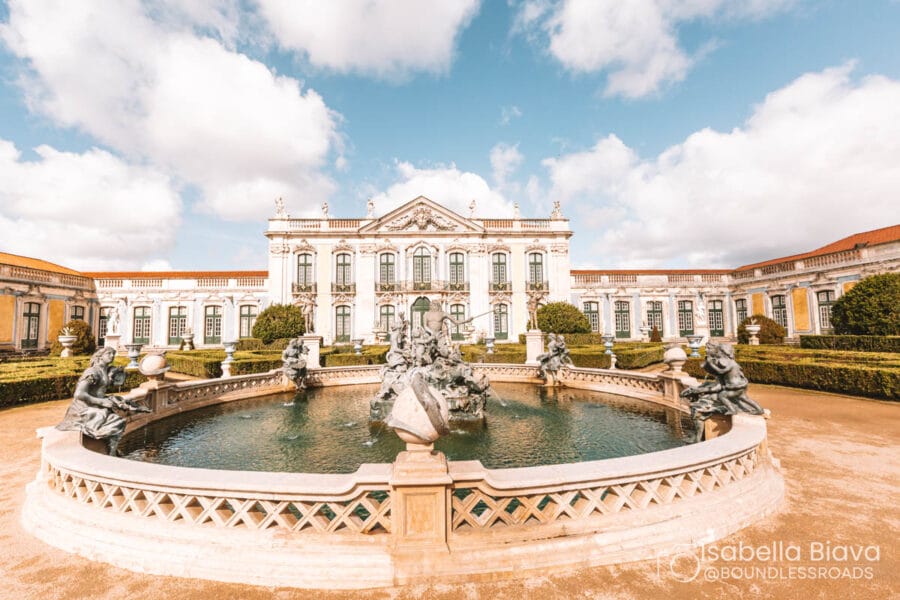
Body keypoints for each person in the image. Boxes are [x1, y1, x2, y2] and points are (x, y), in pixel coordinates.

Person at [57, 347, 149, 455]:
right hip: (83, 408)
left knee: (118, 414)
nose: (112, 356)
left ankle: (112, 450)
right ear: (100, 357)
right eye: (109, 353)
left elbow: (110, 386)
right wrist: (101, 402)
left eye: (113, 354)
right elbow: (79, 394)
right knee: (116, 420)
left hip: (95, 404)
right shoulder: (92, 372)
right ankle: (110, 451)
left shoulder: (105, 370)